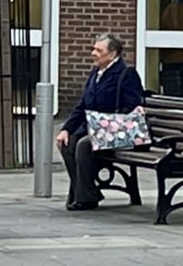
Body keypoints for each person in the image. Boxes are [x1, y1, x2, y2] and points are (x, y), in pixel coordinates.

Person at [56, 34, 144, 211]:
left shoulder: (127, 74)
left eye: (98, 50)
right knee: (67, 143)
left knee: (83, 145)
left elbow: (133, 107)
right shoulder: (96, 73)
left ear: (112, 54)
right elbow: (82, 106)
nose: (93, 53)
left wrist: (107, 123)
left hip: (117, 131)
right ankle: (88, 192)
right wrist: (66, 129)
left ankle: (85, 197)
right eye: (93, 48)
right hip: (94, 130)